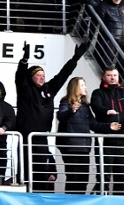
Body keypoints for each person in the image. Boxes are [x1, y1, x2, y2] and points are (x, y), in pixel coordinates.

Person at [16, 41, 87, 192]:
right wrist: (24, 61)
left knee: (42, 172)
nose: (42, 78)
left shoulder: (49, 89)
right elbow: (20, 76)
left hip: (42, 138)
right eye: (38, 75)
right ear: (31, 77)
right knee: (27, 173)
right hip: (26, 137)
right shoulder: (25, 89)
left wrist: (75, 59)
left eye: (43, 75)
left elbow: (63, 75)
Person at [57, 77, 115, 194]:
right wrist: (71, 110)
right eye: (82, 85)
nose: (85, 87)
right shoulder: (66, 102)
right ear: (75, 87)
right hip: (70, 148)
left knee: (84, 180)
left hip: (84, 148)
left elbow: (93, 124)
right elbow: (61, 116)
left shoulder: (85, 106)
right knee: (73, 179)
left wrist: (109, 126)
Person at [89, 66, 124, 194]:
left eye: (115, 75)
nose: (112, 78)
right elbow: (96, 106)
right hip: (105, 142)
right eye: (109, 75)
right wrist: (106, 111)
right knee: (103, 177)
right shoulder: (97, 93)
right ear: (103, 77)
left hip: (122, 141)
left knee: (121, 177)